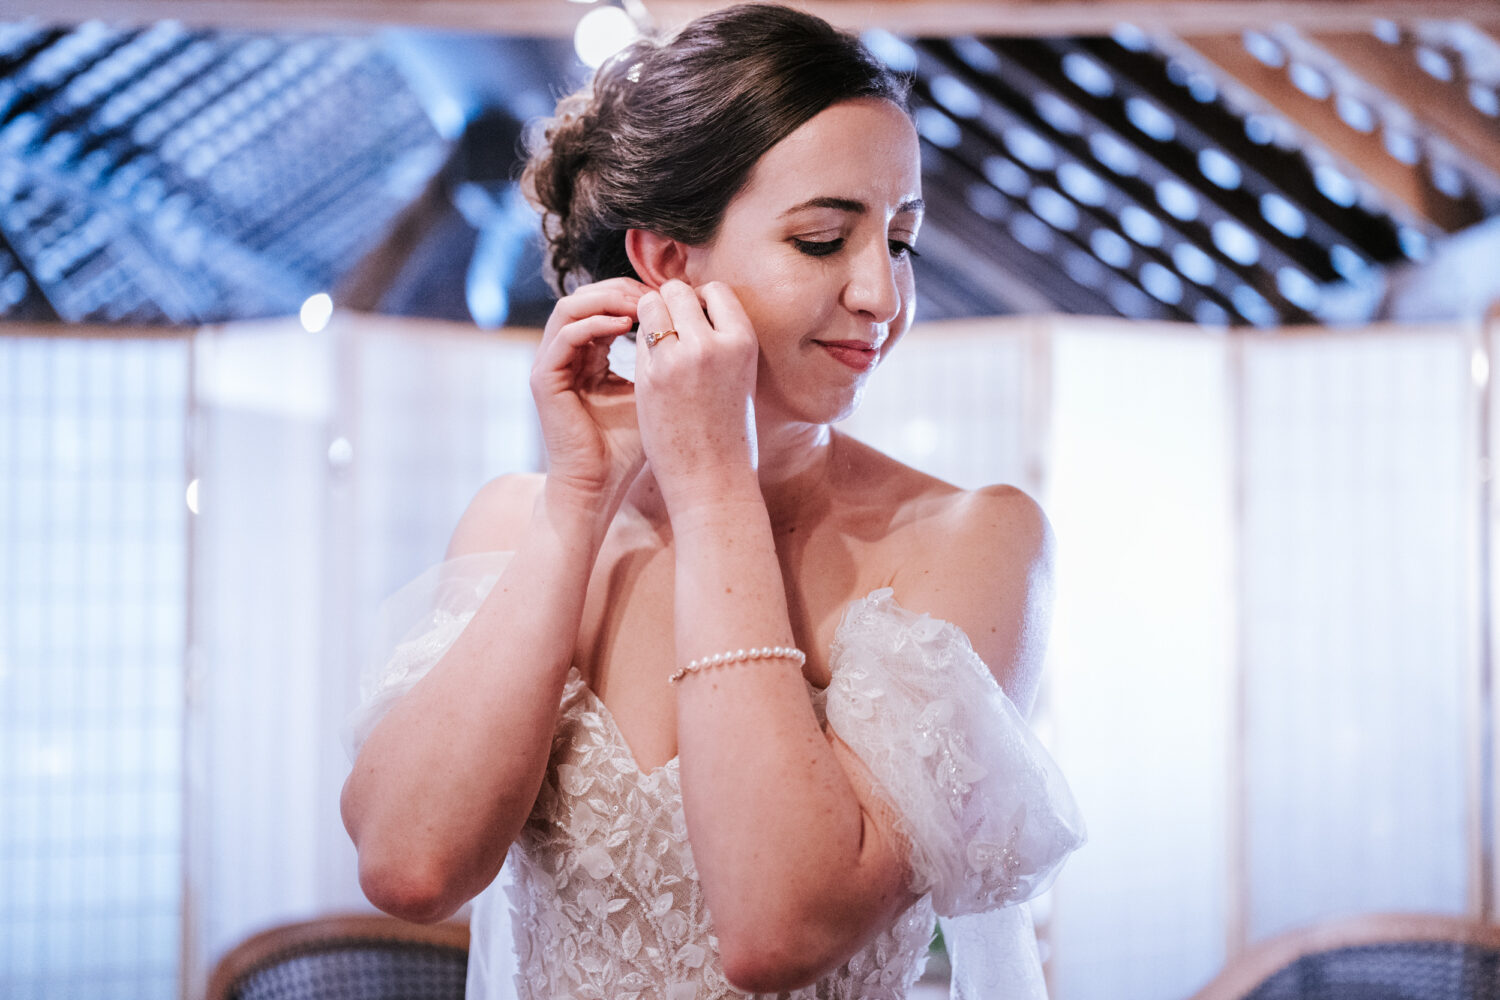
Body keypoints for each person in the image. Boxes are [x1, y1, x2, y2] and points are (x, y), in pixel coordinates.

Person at [340, 5, 1084, 998]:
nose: (881, 292)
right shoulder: (521, 522)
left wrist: (713, 485)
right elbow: (410, 867)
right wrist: (575, 503)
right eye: (824, 239)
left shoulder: (969, 540)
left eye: (899, 239)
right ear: (665, 261)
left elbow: (778, 931)